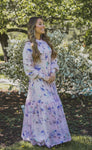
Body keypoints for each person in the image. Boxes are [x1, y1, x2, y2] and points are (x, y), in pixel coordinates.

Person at [21, 16, 71, 148]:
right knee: (44, 106)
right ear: (34, 27)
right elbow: (28, 69)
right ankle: (41, 137)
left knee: (53, 107)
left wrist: (53, 72)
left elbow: (53, 60)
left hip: (50, 82)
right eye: (40, 24)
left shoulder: (46, 43)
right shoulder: (28, 46)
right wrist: (44, 77)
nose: (43, 26)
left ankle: (55, 137)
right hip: (38, 83)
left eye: (43, 24)